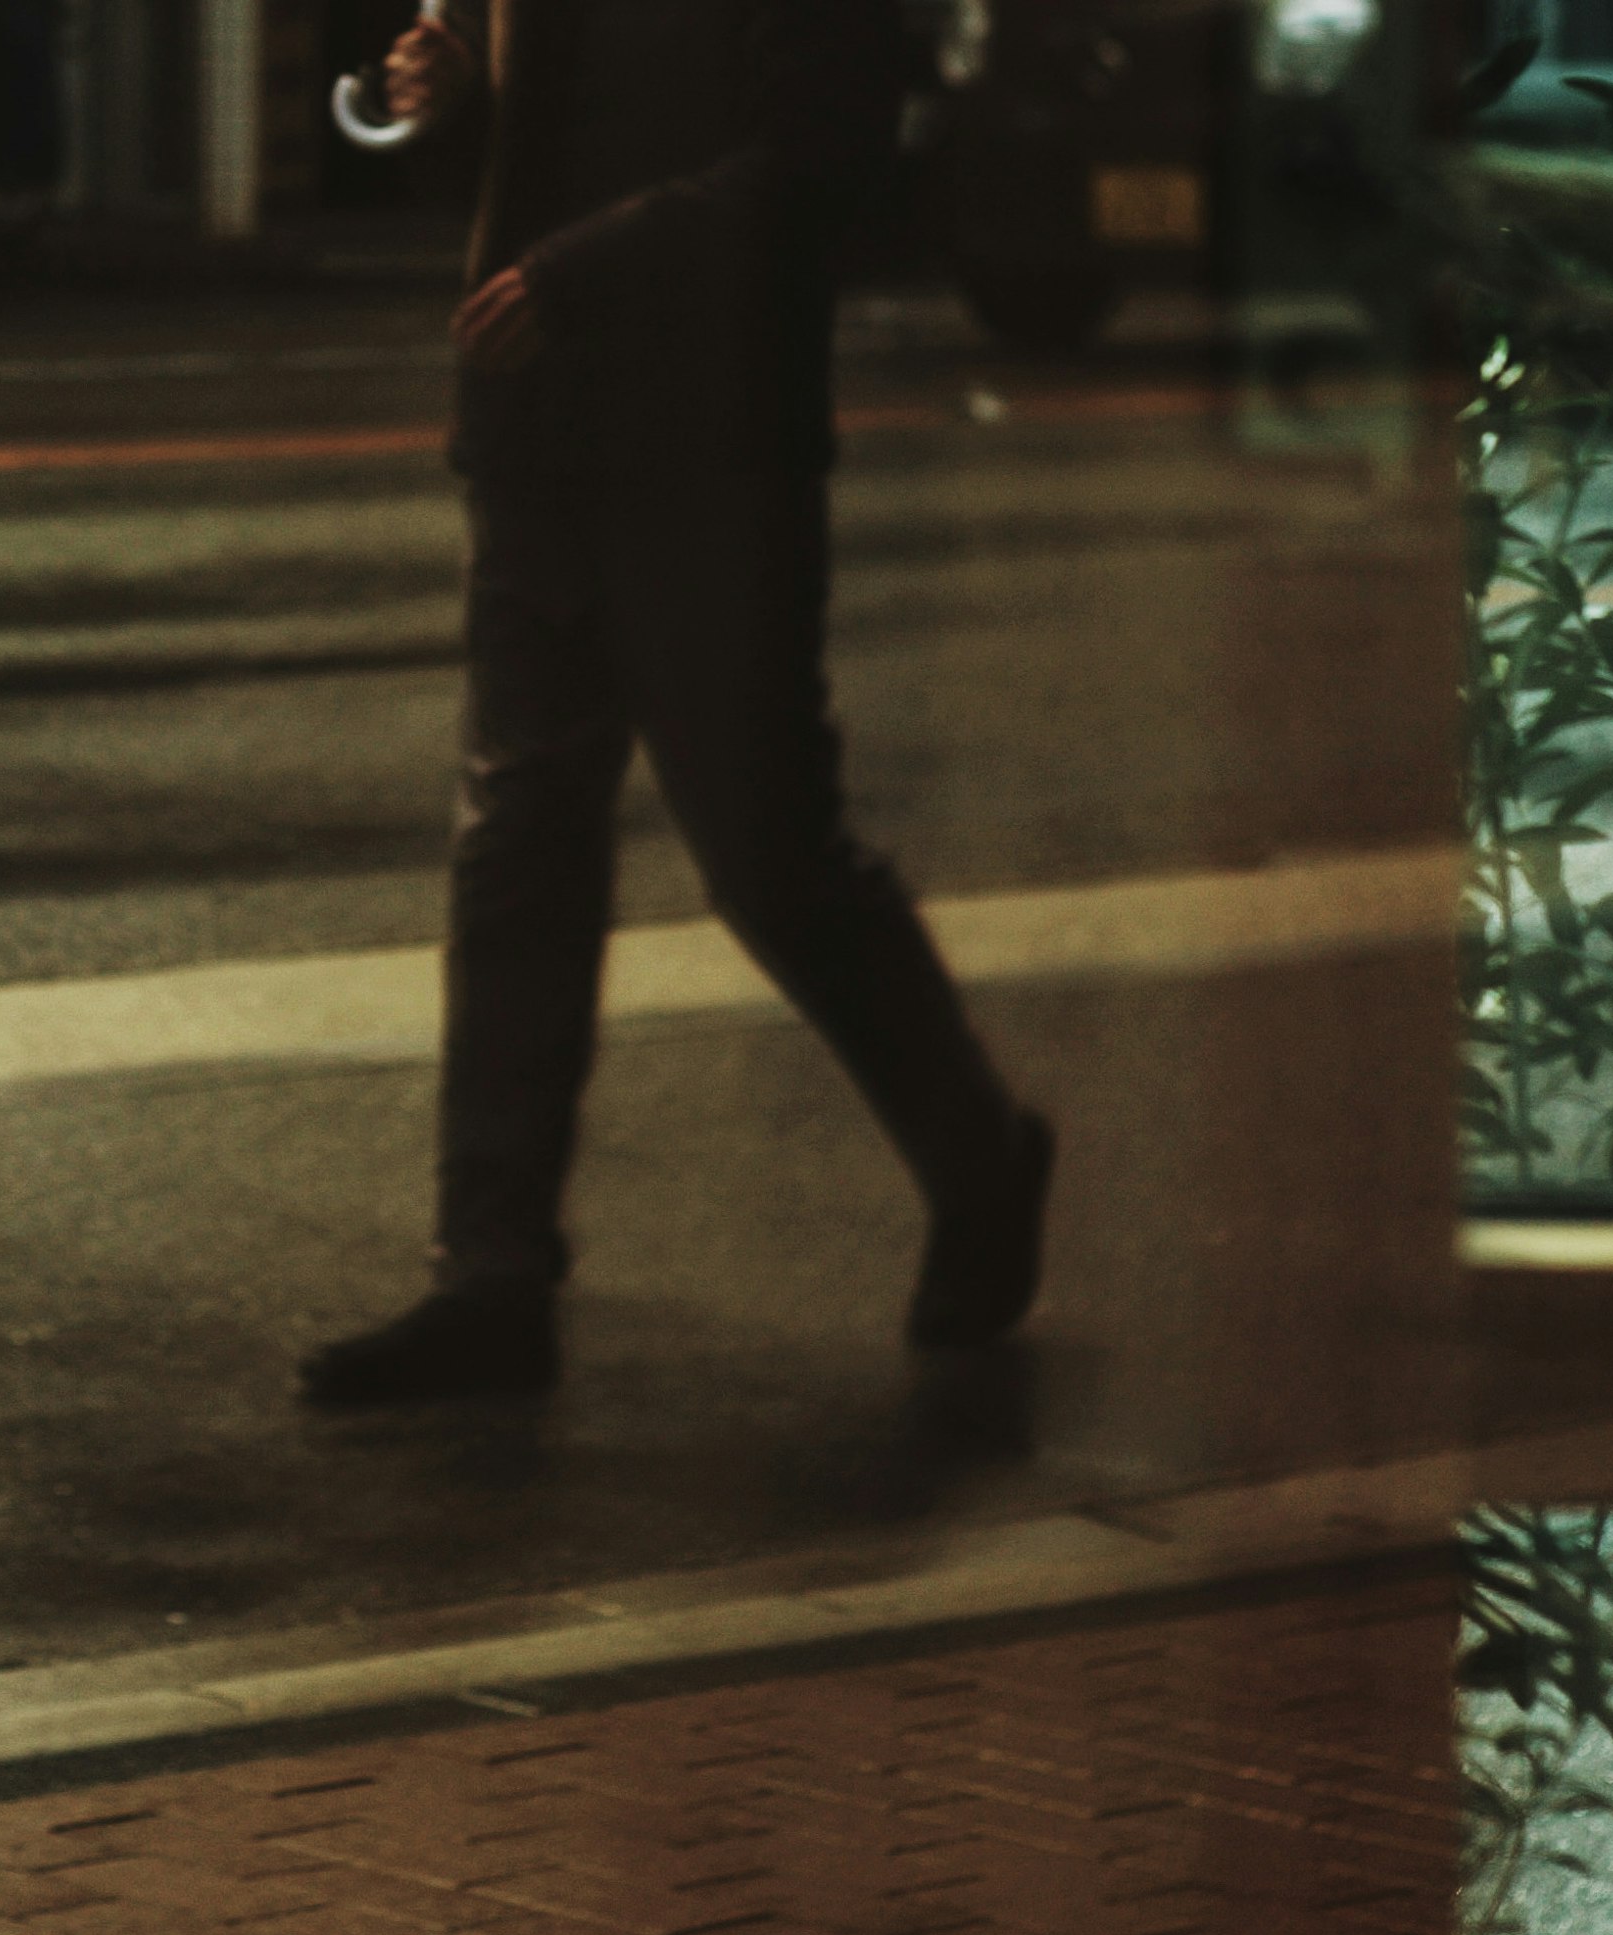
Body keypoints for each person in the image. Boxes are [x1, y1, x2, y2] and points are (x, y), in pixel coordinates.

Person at [297, 0, 1054, 1407]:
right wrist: (439, 99)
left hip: (715, 448)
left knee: (767, 852)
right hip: (531, 435)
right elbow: (479, 177)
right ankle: (491, 1271)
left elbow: (825, 166)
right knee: (519, 840)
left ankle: (981, 1155)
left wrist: (585, 275)